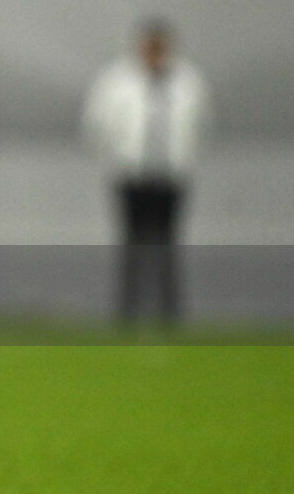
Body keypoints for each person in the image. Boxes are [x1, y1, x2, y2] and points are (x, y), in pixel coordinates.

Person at [81, 19, 212, 322]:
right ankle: (127, 312)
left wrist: (186, 158)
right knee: (132, 244)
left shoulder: (188, 81)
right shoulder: (117, 80)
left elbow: (203, 125)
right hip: (132, 175)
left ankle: (170, 314)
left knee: (167, 244)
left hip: (171, 176)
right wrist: (116, 157)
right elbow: (95, 124)